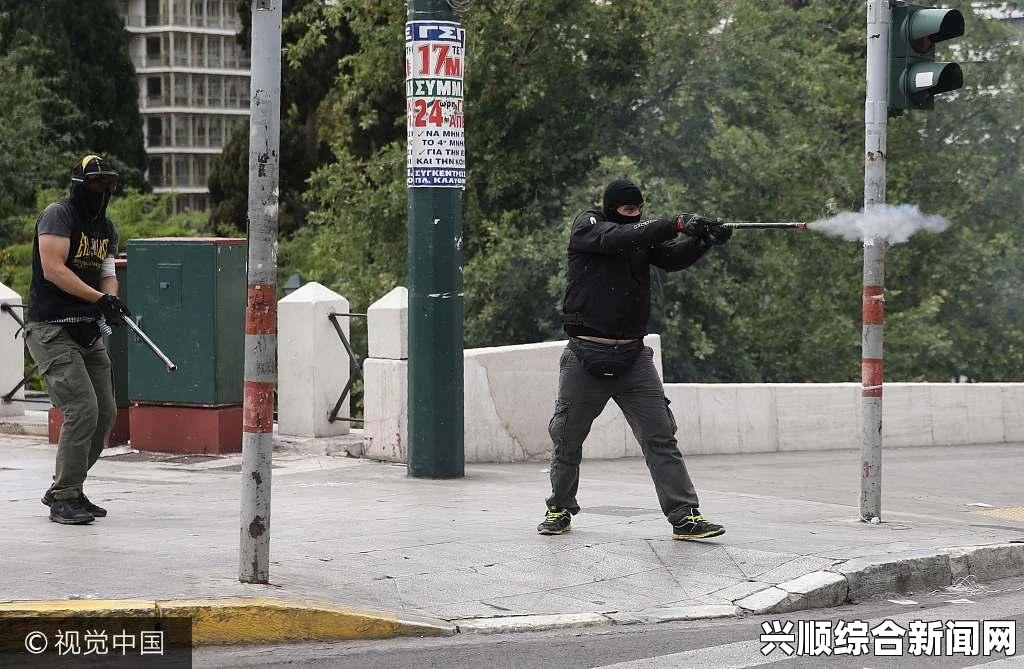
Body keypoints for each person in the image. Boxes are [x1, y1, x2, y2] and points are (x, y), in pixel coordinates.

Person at [538, 179, 732, 540]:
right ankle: (559, 508)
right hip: (585, 355)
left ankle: (684, 516)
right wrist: (676, 222)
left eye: (638, 209)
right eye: (627, 210)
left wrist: (702, 240)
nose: (634, 216)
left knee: (661, 437)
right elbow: (616, 238)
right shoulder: (589, 226)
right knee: (567, 438)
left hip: (633, 357)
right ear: (611, 207)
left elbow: (671, 258)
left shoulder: (640, 238)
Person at [24, 155, 131, 525]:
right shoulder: (59, 216)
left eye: (108, 184)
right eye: (96, 183)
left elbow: (106, 272)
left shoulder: (106, 228)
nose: (102, 190)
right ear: (79, 184)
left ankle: (69, 487)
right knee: (82, 408)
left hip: (87, 329)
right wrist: (99, 299)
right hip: (51, 327)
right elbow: (53, 269)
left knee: (105, 413)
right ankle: (64, 496)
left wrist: (111, 298)